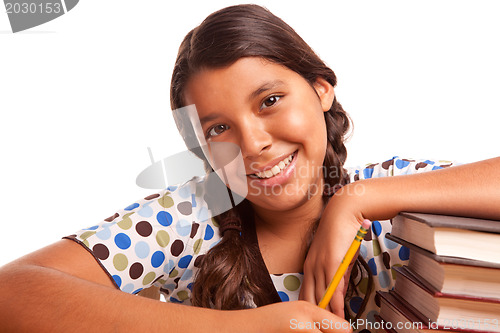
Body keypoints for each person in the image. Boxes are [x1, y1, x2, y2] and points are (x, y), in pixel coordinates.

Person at [1, 4, 499, 332]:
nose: (254, 144)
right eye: (218, 130)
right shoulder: (193, 218)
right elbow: (13, 290)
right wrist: (245, 329)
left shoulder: (392, 191)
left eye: (270, 100)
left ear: (322, 89)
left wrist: (354, 200)